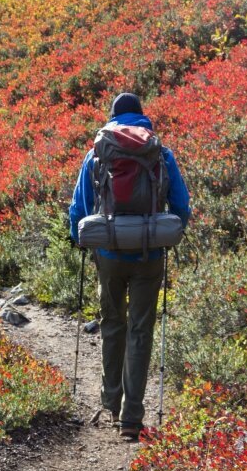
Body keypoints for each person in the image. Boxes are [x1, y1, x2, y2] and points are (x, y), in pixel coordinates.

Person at [68, 92, 191, 441]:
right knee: (140, 329)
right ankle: (131, 419)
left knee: (112, 325)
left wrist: (80, 239)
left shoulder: (98, 153)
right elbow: (181, 206)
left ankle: (110, 402)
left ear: (112, 117)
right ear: (142, 117)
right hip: (149, 254)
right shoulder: (160, 153)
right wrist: (164, 232)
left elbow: (79, 209)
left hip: (108, 254)